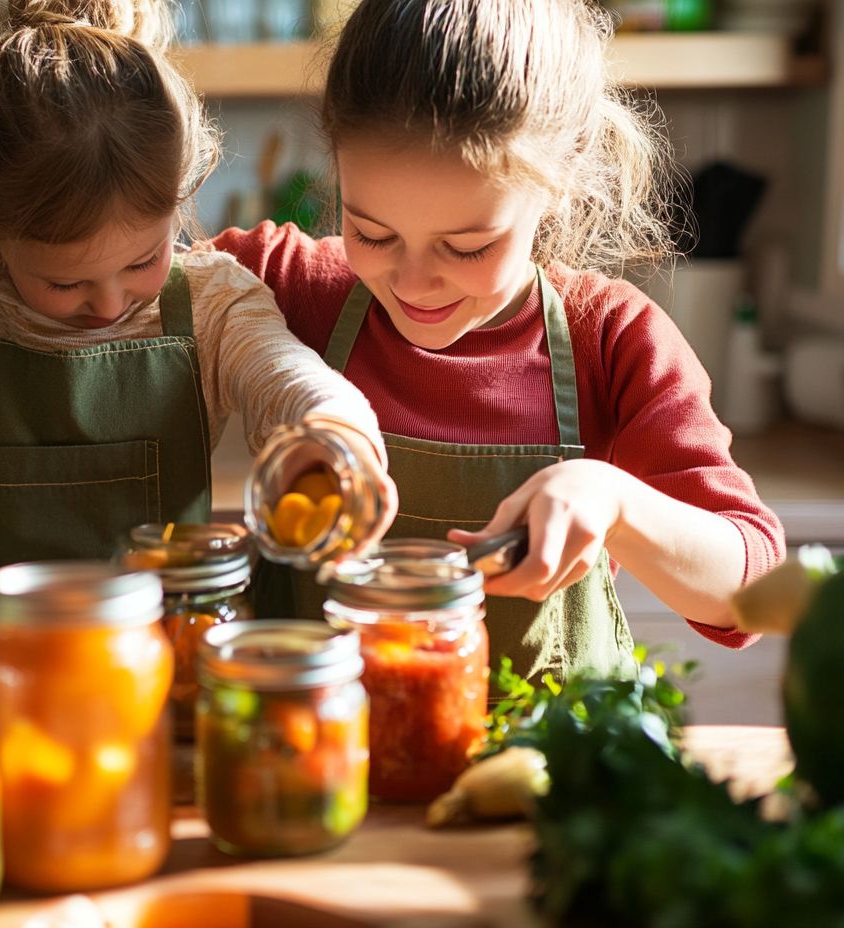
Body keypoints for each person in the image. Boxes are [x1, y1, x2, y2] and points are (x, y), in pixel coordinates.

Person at [213, 0, 785, 682]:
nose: (416, 281)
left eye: (468, 246)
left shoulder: (610, 340)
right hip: (316, 763)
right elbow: (118, 275)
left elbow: (754, 593)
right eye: (371, 233)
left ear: (561, 182)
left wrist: (616, 501)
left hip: (536, 770)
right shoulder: (286, 286)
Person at [0, 0, 395, 571]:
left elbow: (293, 383)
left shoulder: (212, 305)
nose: (111, 303)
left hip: (151, 660)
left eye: (144, 260)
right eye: (65, 283)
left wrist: (339, 438)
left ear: (179, 203)